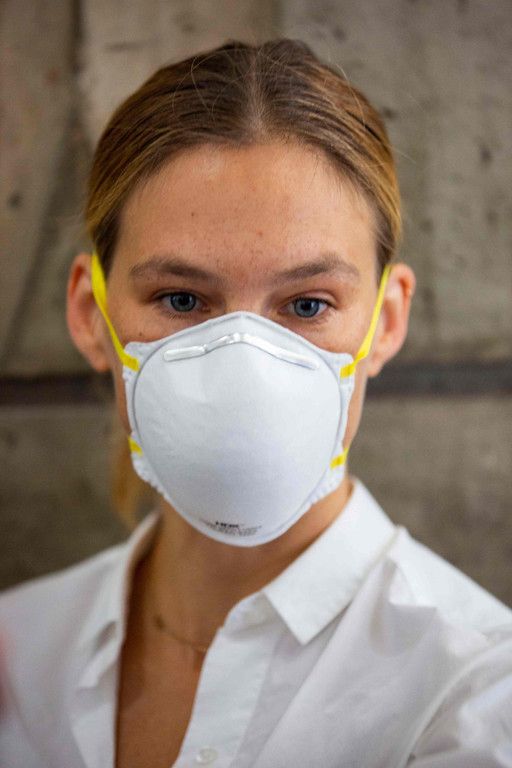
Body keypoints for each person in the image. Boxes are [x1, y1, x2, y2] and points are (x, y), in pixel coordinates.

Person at [1, 38, 511, 768]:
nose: (244, 365)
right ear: (91, 314)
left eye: (307, 304)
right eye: (182, 299)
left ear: (387, 321)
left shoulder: (475, 696)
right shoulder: (19, 657)